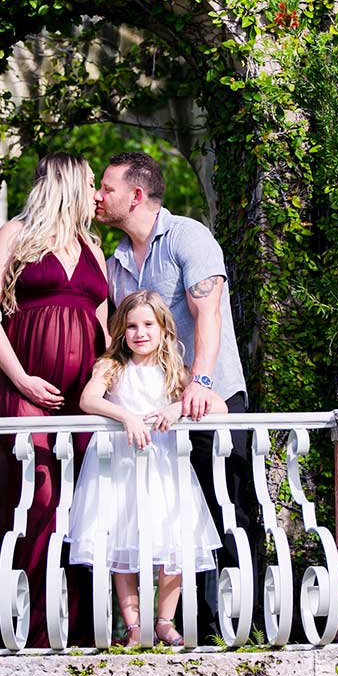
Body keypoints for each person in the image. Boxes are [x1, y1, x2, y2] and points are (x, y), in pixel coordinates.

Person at [94, 151, 259, 643]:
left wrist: (200, 385)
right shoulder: (116, 262)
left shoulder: (188, 236)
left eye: (106, 188)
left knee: (227, 511)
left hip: (211, 398)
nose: (98, 197)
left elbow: (207, 314)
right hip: (155, 413)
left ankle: (238, 623)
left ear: (137, 195)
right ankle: (177, 626)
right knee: (178, 519)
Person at [0, 153, 108, 648]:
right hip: (23, 384)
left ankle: (79, 626)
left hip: (85, 396)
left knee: (83, 502)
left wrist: (113, 382)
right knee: (36, 496)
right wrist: (24, 379)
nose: (98, 195)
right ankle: (28, 627)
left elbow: (104, 323)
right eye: (92, 184)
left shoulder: (92, 245)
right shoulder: (15, 234)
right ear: (68, 184)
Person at [67, 290, 223, 647]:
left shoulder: (174, 370)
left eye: (148, 324)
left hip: (164, 466)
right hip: (119, 465)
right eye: (132, 326)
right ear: (121, 330)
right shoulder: (111, 366)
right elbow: (88, 399)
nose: (140, 333)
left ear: (163, 329)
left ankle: (165, 620)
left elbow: (218, 407)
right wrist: (126, 417)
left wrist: (179, 408)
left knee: (175, 539)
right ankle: (135, 626)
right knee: (121, 542)